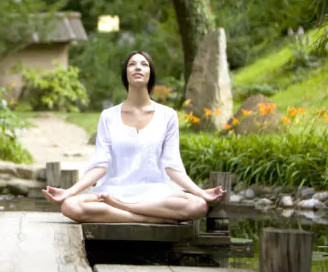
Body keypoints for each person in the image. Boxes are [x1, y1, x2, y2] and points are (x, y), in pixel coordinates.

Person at [42, 51, 226, 224]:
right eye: (132, 64)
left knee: (198, 205)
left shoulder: (167, 115)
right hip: (113, 191)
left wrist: (200, 192)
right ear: (126, 74)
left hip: (155, 192)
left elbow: (171, 165)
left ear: (150, 73)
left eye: (144, 64)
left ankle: (125, 209)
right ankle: (147, 219)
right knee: (70, 206)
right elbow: (100, 164)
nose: (138, 67)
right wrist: (69, 192)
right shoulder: (108, 116)